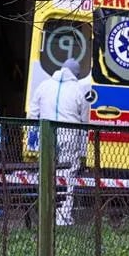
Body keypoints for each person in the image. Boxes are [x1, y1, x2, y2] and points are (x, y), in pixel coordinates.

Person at [27, 58, 90, 225]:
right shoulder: (79, 90)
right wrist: (83, 148)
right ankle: (62, 216)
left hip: (46, 135)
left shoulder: (44, 86)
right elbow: (85, 120)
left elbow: (33, 113)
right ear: (76, 74)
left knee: (46, 173)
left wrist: (33, 136)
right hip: (69, 136)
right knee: (67, 175)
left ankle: (45, 212)